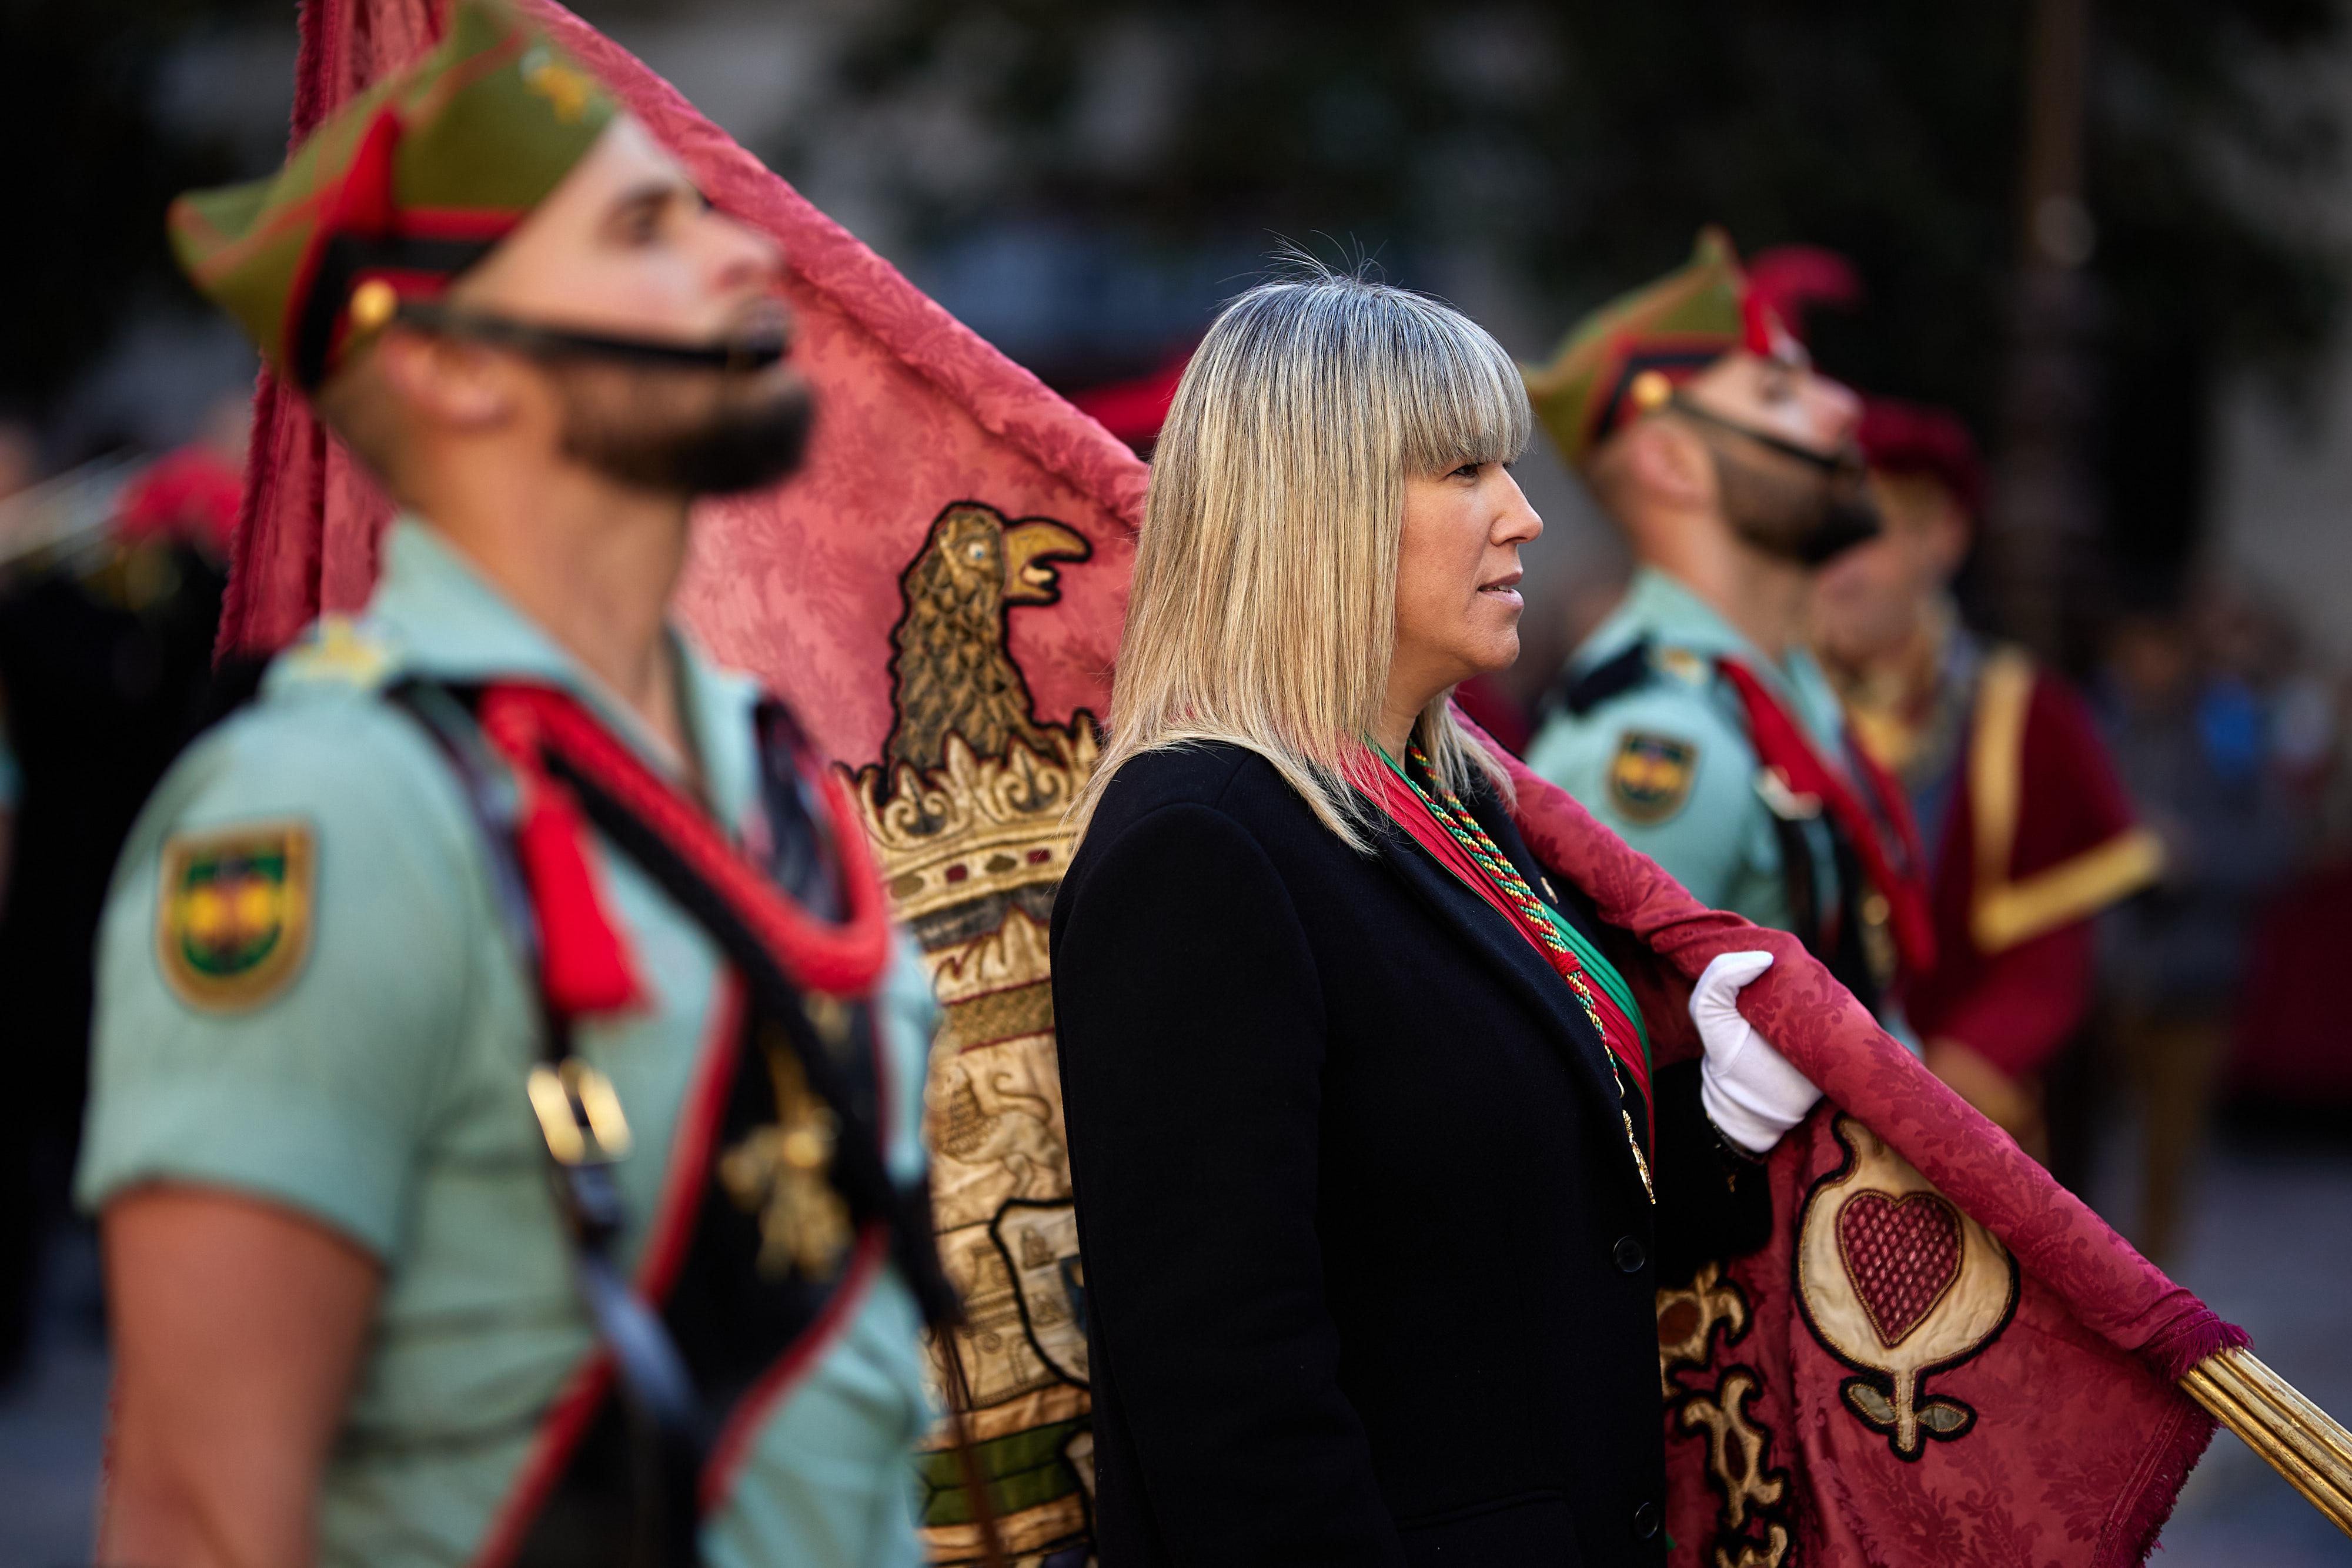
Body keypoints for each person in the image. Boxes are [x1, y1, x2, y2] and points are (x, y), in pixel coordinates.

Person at [77, 5, 956, 1563]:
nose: (747, 263)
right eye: (643, 233)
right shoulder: (331, 815)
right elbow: (200, 1511)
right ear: (450, 365)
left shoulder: (780, 785)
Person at [1050, 268, 1821, 1567]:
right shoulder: (1199, 844)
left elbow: (1492, 1239)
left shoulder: (1448, 795)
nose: (1523, 515)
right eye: (1465, 470)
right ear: (1318, 512)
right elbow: (1230, 1398)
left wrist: (1715, 1130)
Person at [1520, 230, 1932, 1025]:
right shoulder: (1659, 739)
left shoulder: (1781, 685)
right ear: (1672, 464)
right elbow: (1616, 1079)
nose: (1844, 408)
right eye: (1777, 395)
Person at [1810, 397, 2160, 1169]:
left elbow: (2048, 963)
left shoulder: (2025, 715)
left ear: (1942, 539)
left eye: (1864, 533)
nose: (1835, 567)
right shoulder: (1748, 699)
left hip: (1958, 1138)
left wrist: (1939, 1083)